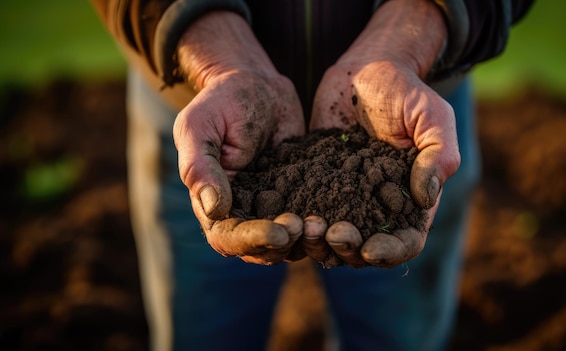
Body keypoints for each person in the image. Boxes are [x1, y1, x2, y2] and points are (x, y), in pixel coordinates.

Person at [91, 0, 534, 350]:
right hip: (207, 119)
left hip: (407, 122)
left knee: (398, 337)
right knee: (201, 334)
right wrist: (214, 53)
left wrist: (408, 35)